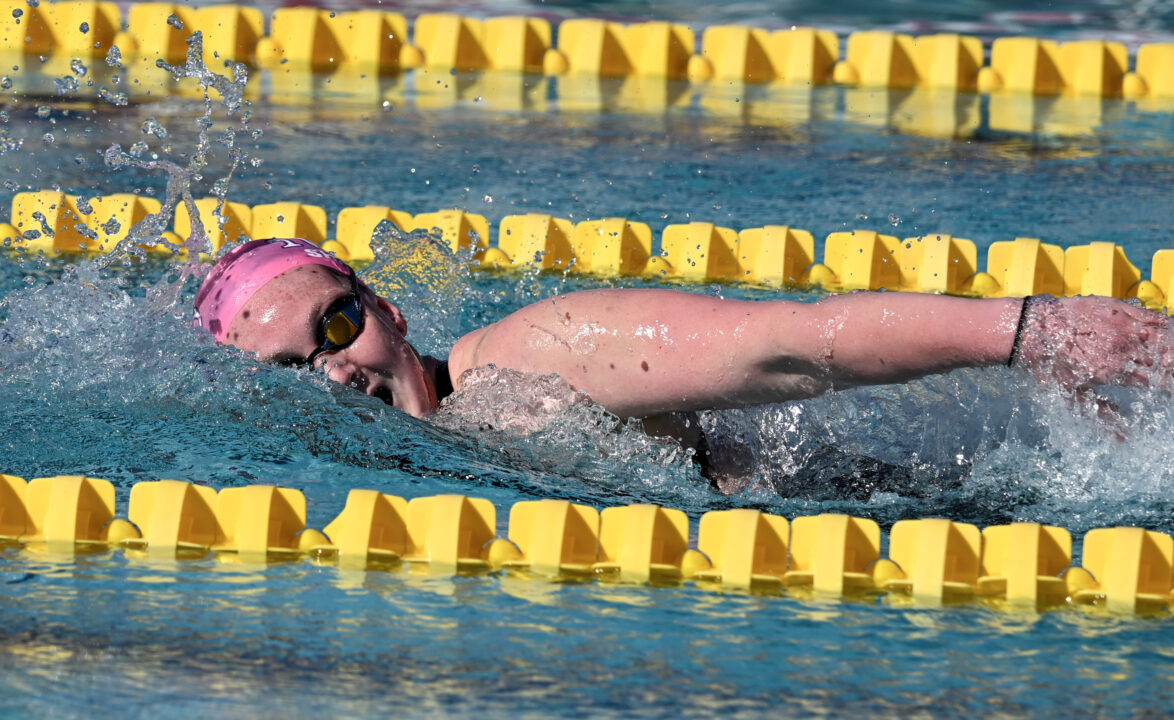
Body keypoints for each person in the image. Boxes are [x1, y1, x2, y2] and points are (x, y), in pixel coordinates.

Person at [194, 237, 1173, 472]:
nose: (340, 373)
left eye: (334, 327)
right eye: (295, 369)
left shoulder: (532, 359)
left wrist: (1030, 331)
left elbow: (787, 347)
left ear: (389, 310)